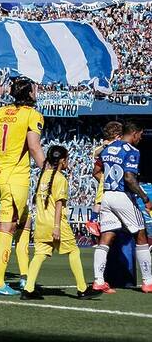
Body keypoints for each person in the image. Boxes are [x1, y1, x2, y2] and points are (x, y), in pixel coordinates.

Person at [0, 77, 45, 296]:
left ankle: (25, 276)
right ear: (29, 94)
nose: (37, 92)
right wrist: (50, 171)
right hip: (14, 180)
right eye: (35, 89)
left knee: (25, 222)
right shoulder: (32, 115)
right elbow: (34, 147)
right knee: (7, 229)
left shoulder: (5, 111)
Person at [21, 145, 102, 300]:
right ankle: (82, 289)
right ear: (63, 161)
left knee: (39, 255)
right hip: (56, 223)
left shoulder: (43, 176)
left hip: (41, 223)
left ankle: (28, 289)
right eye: (67, 159)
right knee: (73, 251)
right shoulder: (60, 178)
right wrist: (57, 227)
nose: (68, 163)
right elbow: (59, 204)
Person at [93, 122, 152, 293]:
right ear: (134, 133)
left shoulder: (108, 148)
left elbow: (96, 171)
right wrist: (145, 197)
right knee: (141, 234)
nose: (140, 138)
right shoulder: (132, 151)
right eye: (140, 135)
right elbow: (128, 177)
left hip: (106, 196)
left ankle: (98, 281)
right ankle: (148, 281)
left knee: (106, 237)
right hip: (122, 196)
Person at [88, 121, 123, 237]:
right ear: (117, 135)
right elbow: (94, 153)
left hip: (116, 176)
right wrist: (104, 146)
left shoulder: (121, 146)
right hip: (107, 176)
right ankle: (92, 221)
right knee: (99, 200)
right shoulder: (106, 146)